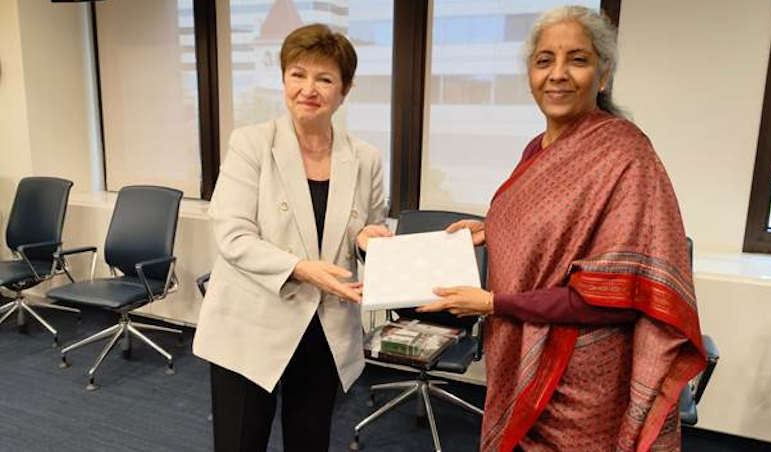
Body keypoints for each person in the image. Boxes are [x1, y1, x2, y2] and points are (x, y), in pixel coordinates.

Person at [418, 6, 706, 451]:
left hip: (583, 376)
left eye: (577, 59)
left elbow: (619, 298)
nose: (557, 74)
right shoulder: (538, 148)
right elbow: (550, 227)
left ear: (603, 74)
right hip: (518, 350)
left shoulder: (626, 155)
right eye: (544, 60)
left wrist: (495, 303)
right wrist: (491, 227)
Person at [192, 24, 391, 452]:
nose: (308, 88)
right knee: (240, 441)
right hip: (251, 321)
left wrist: (368, 239)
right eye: (297, 74)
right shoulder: (251, 144)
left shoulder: (366, 159)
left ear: (345, 89)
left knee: (309, 441)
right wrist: (301, 269)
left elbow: (368, 226)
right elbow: (232, 234)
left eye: (325, 78)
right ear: (283, 79)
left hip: (323, 327)